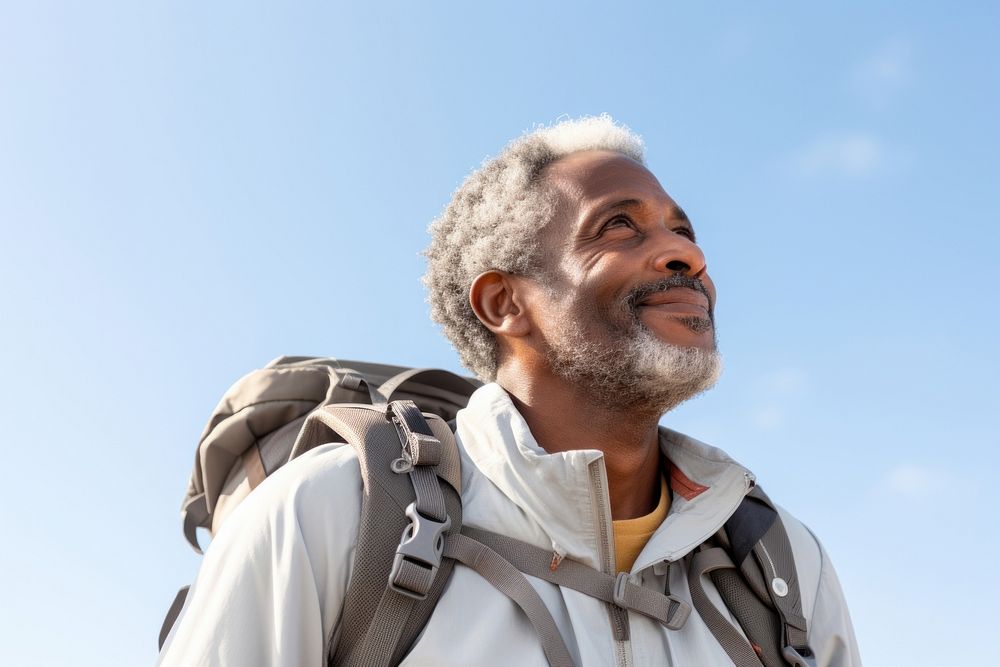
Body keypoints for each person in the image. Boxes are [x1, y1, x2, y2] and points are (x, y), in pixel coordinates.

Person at [157, 116, 860, 666]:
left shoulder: (782, 568)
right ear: (503, 304)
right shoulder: (330, 515)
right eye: (619, 225)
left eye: (683, 229)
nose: (689, 254)